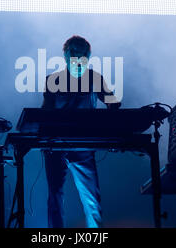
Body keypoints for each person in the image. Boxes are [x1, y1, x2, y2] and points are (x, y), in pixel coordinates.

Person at [41, 35, 121, 228]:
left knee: (91, 198)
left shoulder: (94, 78)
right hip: (58, 145)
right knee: (56, 196)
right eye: (75, 53)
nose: (79, 57)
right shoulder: (53, 80)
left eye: (83, 54)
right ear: (66, 55)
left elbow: (114, 104)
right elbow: (45, 112)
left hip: (82, 145)